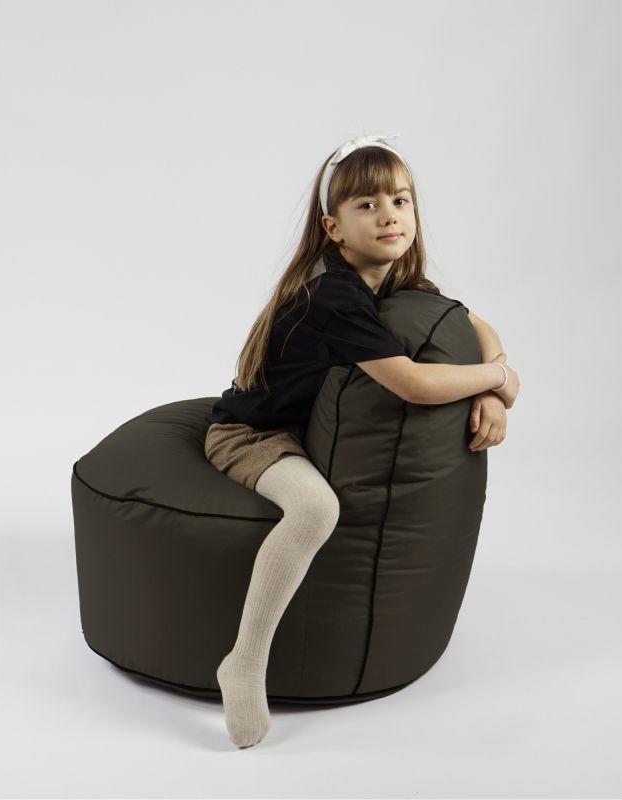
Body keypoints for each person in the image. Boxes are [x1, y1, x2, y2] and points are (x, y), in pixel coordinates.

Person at [204, 133, 520, 749]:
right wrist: (499, 381)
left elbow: (477, 324)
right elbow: (411, 384)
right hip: (251, 434)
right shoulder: (335, 294)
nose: (388, 215)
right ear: (334, 228)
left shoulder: (396, 280)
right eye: (368, 205)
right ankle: (243, 660)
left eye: (400, 200)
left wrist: (491, 385)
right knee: (316, 508)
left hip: (300, 426)